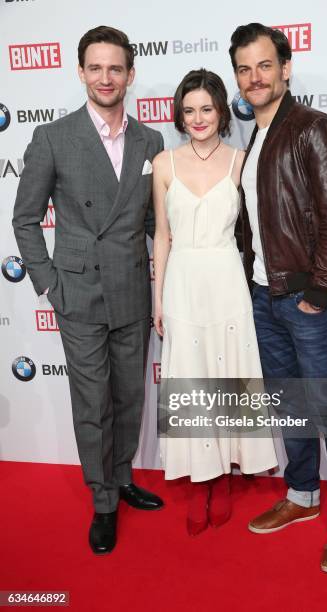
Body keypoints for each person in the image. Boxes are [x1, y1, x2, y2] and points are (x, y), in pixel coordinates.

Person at [13, 25, 164, 555]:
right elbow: (25, 219)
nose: (106, 77)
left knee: (128, 397)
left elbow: (154, 223)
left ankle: (122, 479)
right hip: (77, 293)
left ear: (130, 75)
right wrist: (50, 285)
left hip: (131, 290)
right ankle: (103, 502)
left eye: (115, 68)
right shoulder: (53, 137)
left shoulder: (151, 140)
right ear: (81, 72)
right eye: (95, 68)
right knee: (91, 402)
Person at [229, 23, 327, 573]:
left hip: (306, 299)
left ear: (286, 68)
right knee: (290, 406)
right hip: (265, 297)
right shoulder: (257, 138)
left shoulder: (316, 128)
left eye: (264, 65)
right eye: (244, 68)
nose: (254, 77)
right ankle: (304, 495)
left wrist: (318, 292)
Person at [153, 69, 278, 536]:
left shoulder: (240, 161)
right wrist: (158, 300)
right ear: (179, 115)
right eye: (189, 110)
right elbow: (162, 238)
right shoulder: (164, 163)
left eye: (207, 108)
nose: (198, 118)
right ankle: (199, 480)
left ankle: (223, 475)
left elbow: (259, 229)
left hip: (227, 282)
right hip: (183, 281)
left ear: (222, 111)